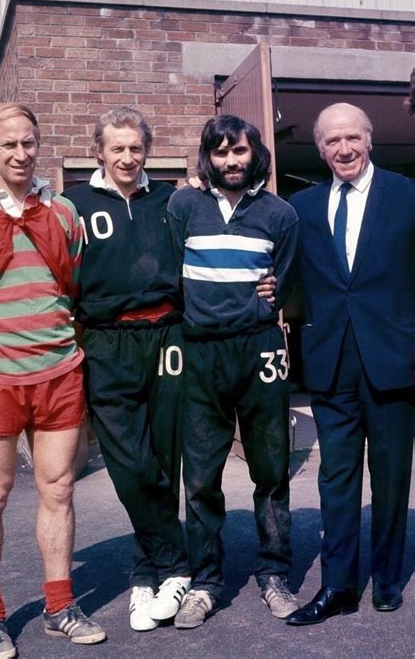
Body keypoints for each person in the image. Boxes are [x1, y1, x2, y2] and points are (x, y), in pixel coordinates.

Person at [0, 102, 106, 658]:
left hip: (59, 371)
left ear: (39, 145)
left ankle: (60, 606)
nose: (19, 153)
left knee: (58, 489)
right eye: (7, 144)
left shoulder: (62, 212)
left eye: (28, 142)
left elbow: (74, 287)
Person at [167, 114, 300, 629]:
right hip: (200, 353)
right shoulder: (184, 204)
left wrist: (271, 298)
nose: (231, 161)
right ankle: (205, 582)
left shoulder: (280, 213)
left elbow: (282, 285)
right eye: (220, 152)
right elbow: (170, 276)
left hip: (259, 351)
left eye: (239, 151)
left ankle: (274, 574)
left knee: (271, 470)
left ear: (254, 153)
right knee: (201, 477)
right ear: (208, 156)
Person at [285, 102, 415, 626]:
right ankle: (338, 585)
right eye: (332, 141)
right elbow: (288, 273)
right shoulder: (303, 206)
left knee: (389, 479)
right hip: (331, 363)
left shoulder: (407, 195)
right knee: (335, 480)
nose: (343, 149)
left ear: (369, 139)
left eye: (352, 138)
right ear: (320, 148)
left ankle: (385, 580)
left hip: (393, 362)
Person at [64, 107, 191, 632]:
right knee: (130, 463)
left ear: (147, 150)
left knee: (164, 455)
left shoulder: (171, 200)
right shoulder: (72, 204)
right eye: (116, 148)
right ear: (98, 151)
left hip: (166, 336)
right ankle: (177, 560)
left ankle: (145, 576)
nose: (126, 157)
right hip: (106, 341)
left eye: (135, 148)